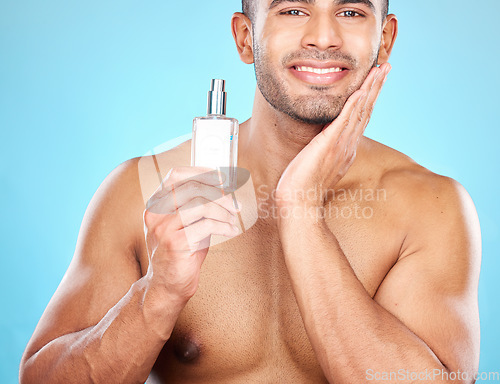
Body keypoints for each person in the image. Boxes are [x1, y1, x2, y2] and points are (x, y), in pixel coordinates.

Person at [20, 0, 482, 382]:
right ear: (245, 38)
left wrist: (300, 208)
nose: (323, 37)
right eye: (293, 11)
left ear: (385, 38)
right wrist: (157, 294)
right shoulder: (143, 193)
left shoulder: (433, 208)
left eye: (351, 12)